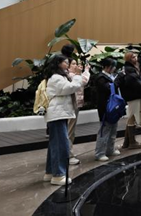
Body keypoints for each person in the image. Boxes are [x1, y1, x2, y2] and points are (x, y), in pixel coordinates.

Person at [43, 55, 88, 186]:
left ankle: (50, 172)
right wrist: (78, 75)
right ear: (58, 63)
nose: (67, 64)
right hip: (58, 114)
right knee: (61, 144)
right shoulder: (56, 77)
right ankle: (58, 175)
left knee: (55, 144)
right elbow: (70, 88)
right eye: (65, 62)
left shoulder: (58, 76)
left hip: (59, 113)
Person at [119, 52, 141, 149]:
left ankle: (127, 142)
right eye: (133, 57)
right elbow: (136, 82)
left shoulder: (129, 68)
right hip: (133, 95)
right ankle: (132, 142)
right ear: (129, 58)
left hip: (132, 95)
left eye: (136, 56)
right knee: (132, 117)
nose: (135, 58)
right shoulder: (130, 69)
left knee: (131, 117)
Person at [93, 58, 121, 162]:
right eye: (112, 66)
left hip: (113, 107)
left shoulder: (111, 77)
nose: (113, 68)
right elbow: (109, 88)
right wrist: (117, 80)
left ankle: (110, 149)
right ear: (107, 67)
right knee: (104, 130)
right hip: (105, 107)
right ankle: (99, 153)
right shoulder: (100, 78)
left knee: (113, 129)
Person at [67, 59, 90, 165]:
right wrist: (86, 71)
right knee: (69, 131)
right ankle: (68, 155)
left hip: (74, 105)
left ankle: (69, 153)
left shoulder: (73, 75)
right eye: (73, 64)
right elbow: (83, 81)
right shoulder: (70, 76)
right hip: (70, 106)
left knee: (71, 131)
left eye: (76, 63)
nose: (76, 66)